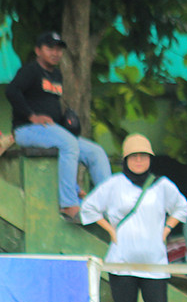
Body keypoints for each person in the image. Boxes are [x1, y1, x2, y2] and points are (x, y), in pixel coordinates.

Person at [80, 134, 187, 302]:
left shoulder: (162, 185)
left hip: (155, 262)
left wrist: (166, 229)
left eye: (143, 156)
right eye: (134, 156)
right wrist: (110, 229)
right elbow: (88, 207)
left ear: (150, 159)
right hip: (121, 262)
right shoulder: (114, 184)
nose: (139, 161)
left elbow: (181, 207)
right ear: (126, 159)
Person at [5, 32, 111, 221]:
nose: (55, 53)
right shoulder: (31, 71)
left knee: (96, 152)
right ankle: (69, 204)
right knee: (69, 144)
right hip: (26, 130)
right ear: (38, 51)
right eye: (49, 48)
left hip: (51, 131)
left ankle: (109, 205)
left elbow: (48, 105)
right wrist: (32, 116)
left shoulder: (56, 75)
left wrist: (66, 122)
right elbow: (11, 91)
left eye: (58, 49)